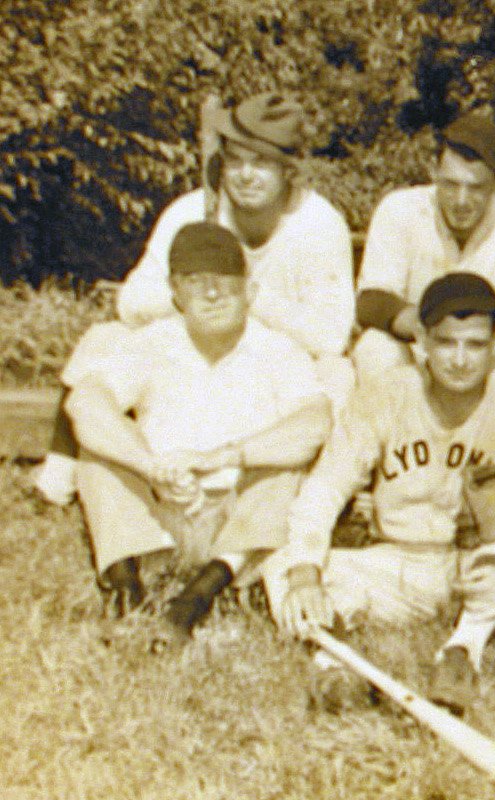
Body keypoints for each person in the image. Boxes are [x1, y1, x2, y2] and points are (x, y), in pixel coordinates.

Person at [270, 273, 495, 714]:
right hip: (399, 560)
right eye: (447, 343)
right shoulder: (385, 395)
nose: (461, 360)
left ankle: (462, 651)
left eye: (475, 345)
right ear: (421, 344)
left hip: (477, 566)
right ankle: (333, 667)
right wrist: (304, 577)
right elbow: (325, 488)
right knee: (280, 567)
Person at [35, 92, 354, 503]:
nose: (245, 175)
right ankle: (61, 477)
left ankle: (315, 498)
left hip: (268, 364)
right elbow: (130, 302)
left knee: (339, 373)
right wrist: (197, 298)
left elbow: (330, 337)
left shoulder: (319, 225)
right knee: (104, 338)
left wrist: (244, 296)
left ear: (289, 170)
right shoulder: (191, 211)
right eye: (236, 160)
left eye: (262, 163)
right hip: (189, 352)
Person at [64, 223, 331, 646]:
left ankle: (197, 597)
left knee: (284, 469)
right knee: (97, 456)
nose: (212, 295)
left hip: (238, 522)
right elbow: (86, 402)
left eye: (226, 283)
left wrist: (221, 458)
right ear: (175, 294)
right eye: (196, 283)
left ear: (250, 291)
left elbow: (314, 425)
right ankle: (125, 591)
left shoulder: (279, 350)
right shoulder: (152, 341)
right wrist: (150, 467)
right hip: (162, 510)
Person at [351, 109, 495, 438]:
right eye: (450, 184)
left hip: (488, 356)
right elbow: (371, 299)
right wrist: (426, 326)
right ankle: (391, 461)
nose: (461, 200)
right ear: (433, 171)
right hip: (422, 350)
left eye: (475, 188)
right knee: (375, 347)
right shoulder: (399, 209)